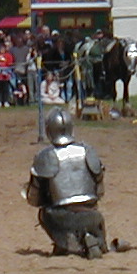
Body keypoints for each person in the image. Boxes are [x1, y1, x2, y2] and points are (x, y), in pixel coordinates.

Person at [24, 108, 109, 259]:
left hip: (61, 215)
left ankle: (67, 243)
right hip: (92, 212)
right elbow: (99, 190)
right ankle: (92, 240)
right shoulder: (87, 150)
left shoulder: (46, 156)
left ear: (49, 130)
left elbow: (34, 198)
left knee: (44, 213)